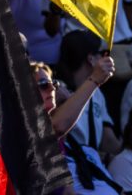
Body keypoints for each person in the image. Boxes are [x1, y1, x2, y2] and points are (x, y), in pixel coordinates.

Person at [33, 59, 120, 195]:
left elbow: (67, 192)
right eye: (43, 84)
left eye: (53, 83)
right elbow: (56, 127)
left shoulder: (60, 144)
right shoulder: (22, 128)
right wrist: (94, 80)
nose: (52, 88)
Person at [55, 30, 121, 157]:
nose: (104, 57)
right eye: (101, 54)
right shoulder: (56, 89)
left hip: (90, 163)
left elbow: (108, 140)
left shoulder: (97, 93)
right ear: (91, 59)